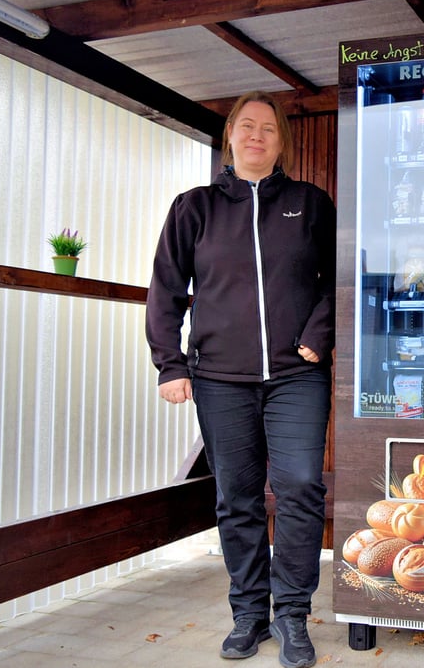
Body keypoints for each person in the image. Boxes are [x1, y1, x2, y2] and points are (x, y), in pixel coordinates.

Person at [145, 90, 335, 668]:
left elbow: (339, 275)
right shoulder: (194, 207)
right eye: (247, 126)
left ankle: (292, 614)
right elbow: (166, 289)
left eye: (269, 129)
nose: (257, 136)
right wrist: (169, 364)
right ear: (230, 135)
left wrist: (318, 334)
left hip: (296, 375)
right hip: (219, 379)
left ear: (282, 141)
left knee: (301, 485)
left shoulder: (310, 202)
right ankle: (249, 612)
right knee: (238, 497)